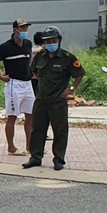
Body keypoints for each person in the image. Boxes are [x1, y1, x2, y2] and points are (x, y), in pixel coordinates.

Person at [23, 26, 84, 171]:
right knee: (37, 130)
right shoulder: (39, 55)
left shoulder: (67, 57)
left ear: (59, 40)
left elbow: (79, 74)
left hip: (58, 101)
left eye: (53, 40)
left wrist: (71, 89)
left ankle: (58, 159)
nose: (51, 43)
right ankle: (35, 157)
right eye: (48, 41)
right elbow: (34, 72)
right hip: (41, 99)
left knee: (60, 131)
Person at [0, 19, 35, 156]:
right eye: (22, 28)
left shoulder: (28, 44)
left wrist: (30, 72)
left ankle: (30, 146)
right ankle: (11, 147)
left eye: (26, 28)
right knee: (12, 116)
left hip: (27, 84)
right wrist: (1, 77)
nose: (25, 30)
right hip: (14, 84)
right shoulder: (5, 47)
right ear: (15, 29)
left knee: (30, 115)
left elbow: (29, 60)